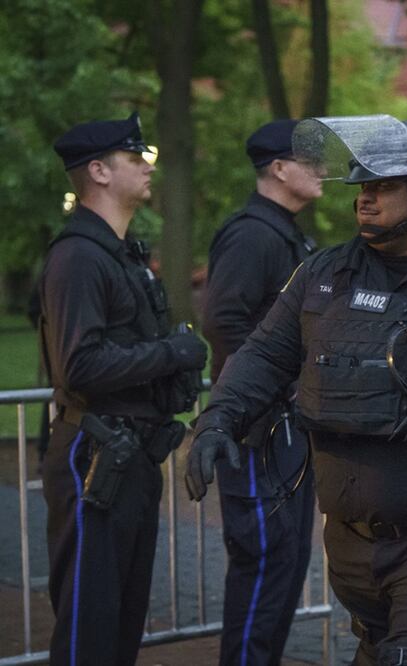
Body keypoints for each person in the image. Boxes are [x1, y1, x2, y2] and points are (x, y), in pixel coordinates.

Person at [183, 115, 407, 665]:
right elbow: (266, 353)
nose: (364, 198)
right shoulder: (325, 273)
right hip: (349, 548)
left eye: (383, 185)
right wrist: (219, 419)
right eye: (362, 184)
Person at [40, 112, 208, 665]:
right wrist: (173, 353)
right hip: (96, 459)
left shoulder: (120, 253)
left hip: (127, 455)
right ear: (99, 171)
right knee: (89, 628)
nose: (147, 166)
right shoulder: (79, 256)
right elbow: (80, 367)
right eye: (135, 157)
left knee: (121, 625)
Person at [201, 119, 321, 666]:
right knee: (265, 562)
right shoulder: (252, 235)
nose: (321, 170)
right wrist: (277, 385)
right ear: (278, 168)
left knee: (284, 567)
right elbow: (224, 322)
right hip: (258, 429)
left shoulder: (284, 233)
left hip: (285, 428)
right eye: (309, 160)